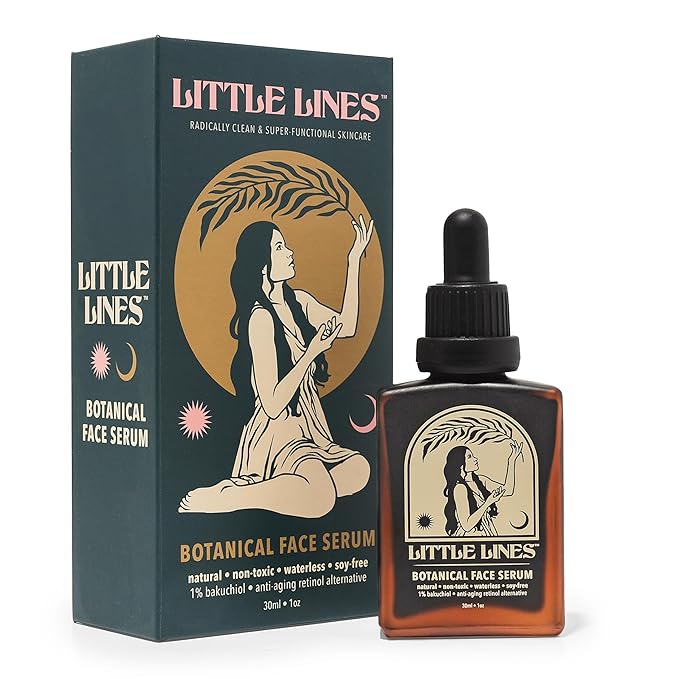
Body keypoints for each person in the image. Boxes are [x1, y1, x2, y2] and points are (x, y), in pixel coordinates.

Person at [179, 215, 373, 517]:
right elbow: (271, 404)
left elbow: (346, 326)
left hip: (309, 422)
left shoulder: (299, 302)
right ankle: (231, 497)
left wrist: (354, 260)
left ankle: (278, 489)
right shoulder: (260, 318)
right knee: (322, 499)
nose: (290, 252)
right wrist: (311, 353)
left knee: (360, 470)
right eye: (280, 247)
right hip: (280, 430)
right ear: (262, 265)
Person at [443, 442, 522, 537]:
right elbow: (467, 526)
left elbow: (508, 490)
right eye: (469, 457)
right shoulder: (460, 488)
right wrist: (488, 502)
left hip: (486, 531)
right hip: (470, 537)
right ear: (460, 465)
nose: (475, 459)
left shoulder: (481, 480)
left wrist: (511, 461)